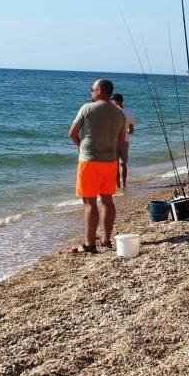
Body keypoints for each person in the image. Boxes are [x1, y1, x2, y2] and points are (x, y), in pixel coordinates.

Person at [69, 79, 127, 253]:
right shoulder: (119, 113)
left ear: (99, 91)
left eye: (92, 89)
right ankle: (106, 240)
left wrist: (81, 146)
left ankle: (89, 244)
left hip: (89, 161)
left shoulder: (87, 108)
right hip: (110, 161)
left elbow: (72, 133)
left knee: (89, 202)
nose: (91, 92)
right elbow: (121, 139)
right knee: (107, 201)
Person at [111, 93, 136, 188]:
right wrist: (127, 131)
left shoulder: (112, 112)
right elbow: (131, 131)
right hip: (124, 141)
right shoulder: (129, 113)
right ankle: (124, 185)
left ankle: (118, 186)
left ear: (115, 101)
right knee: (123, 164)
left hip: (113, 141)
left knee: (115, 165)